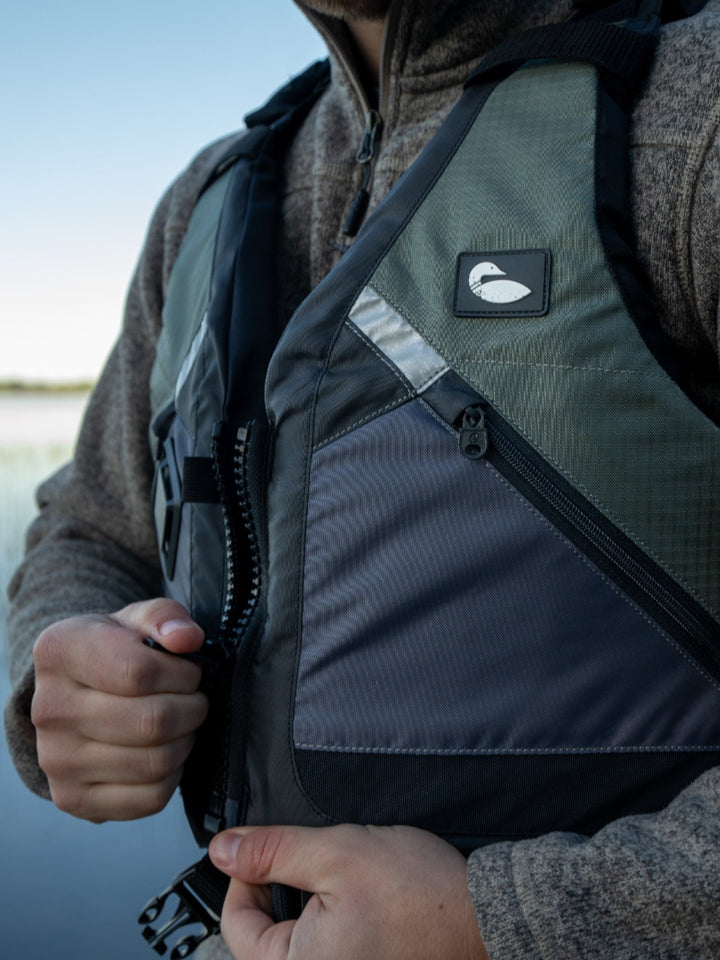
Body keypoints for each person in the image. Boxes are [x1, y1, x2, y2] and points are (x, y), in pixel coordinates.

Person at [5, 0, 720, 957]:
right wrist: (59, 669)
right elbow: (92, 528)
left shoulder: (692, 118)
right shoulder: (208, 200)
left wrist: (501, 922)